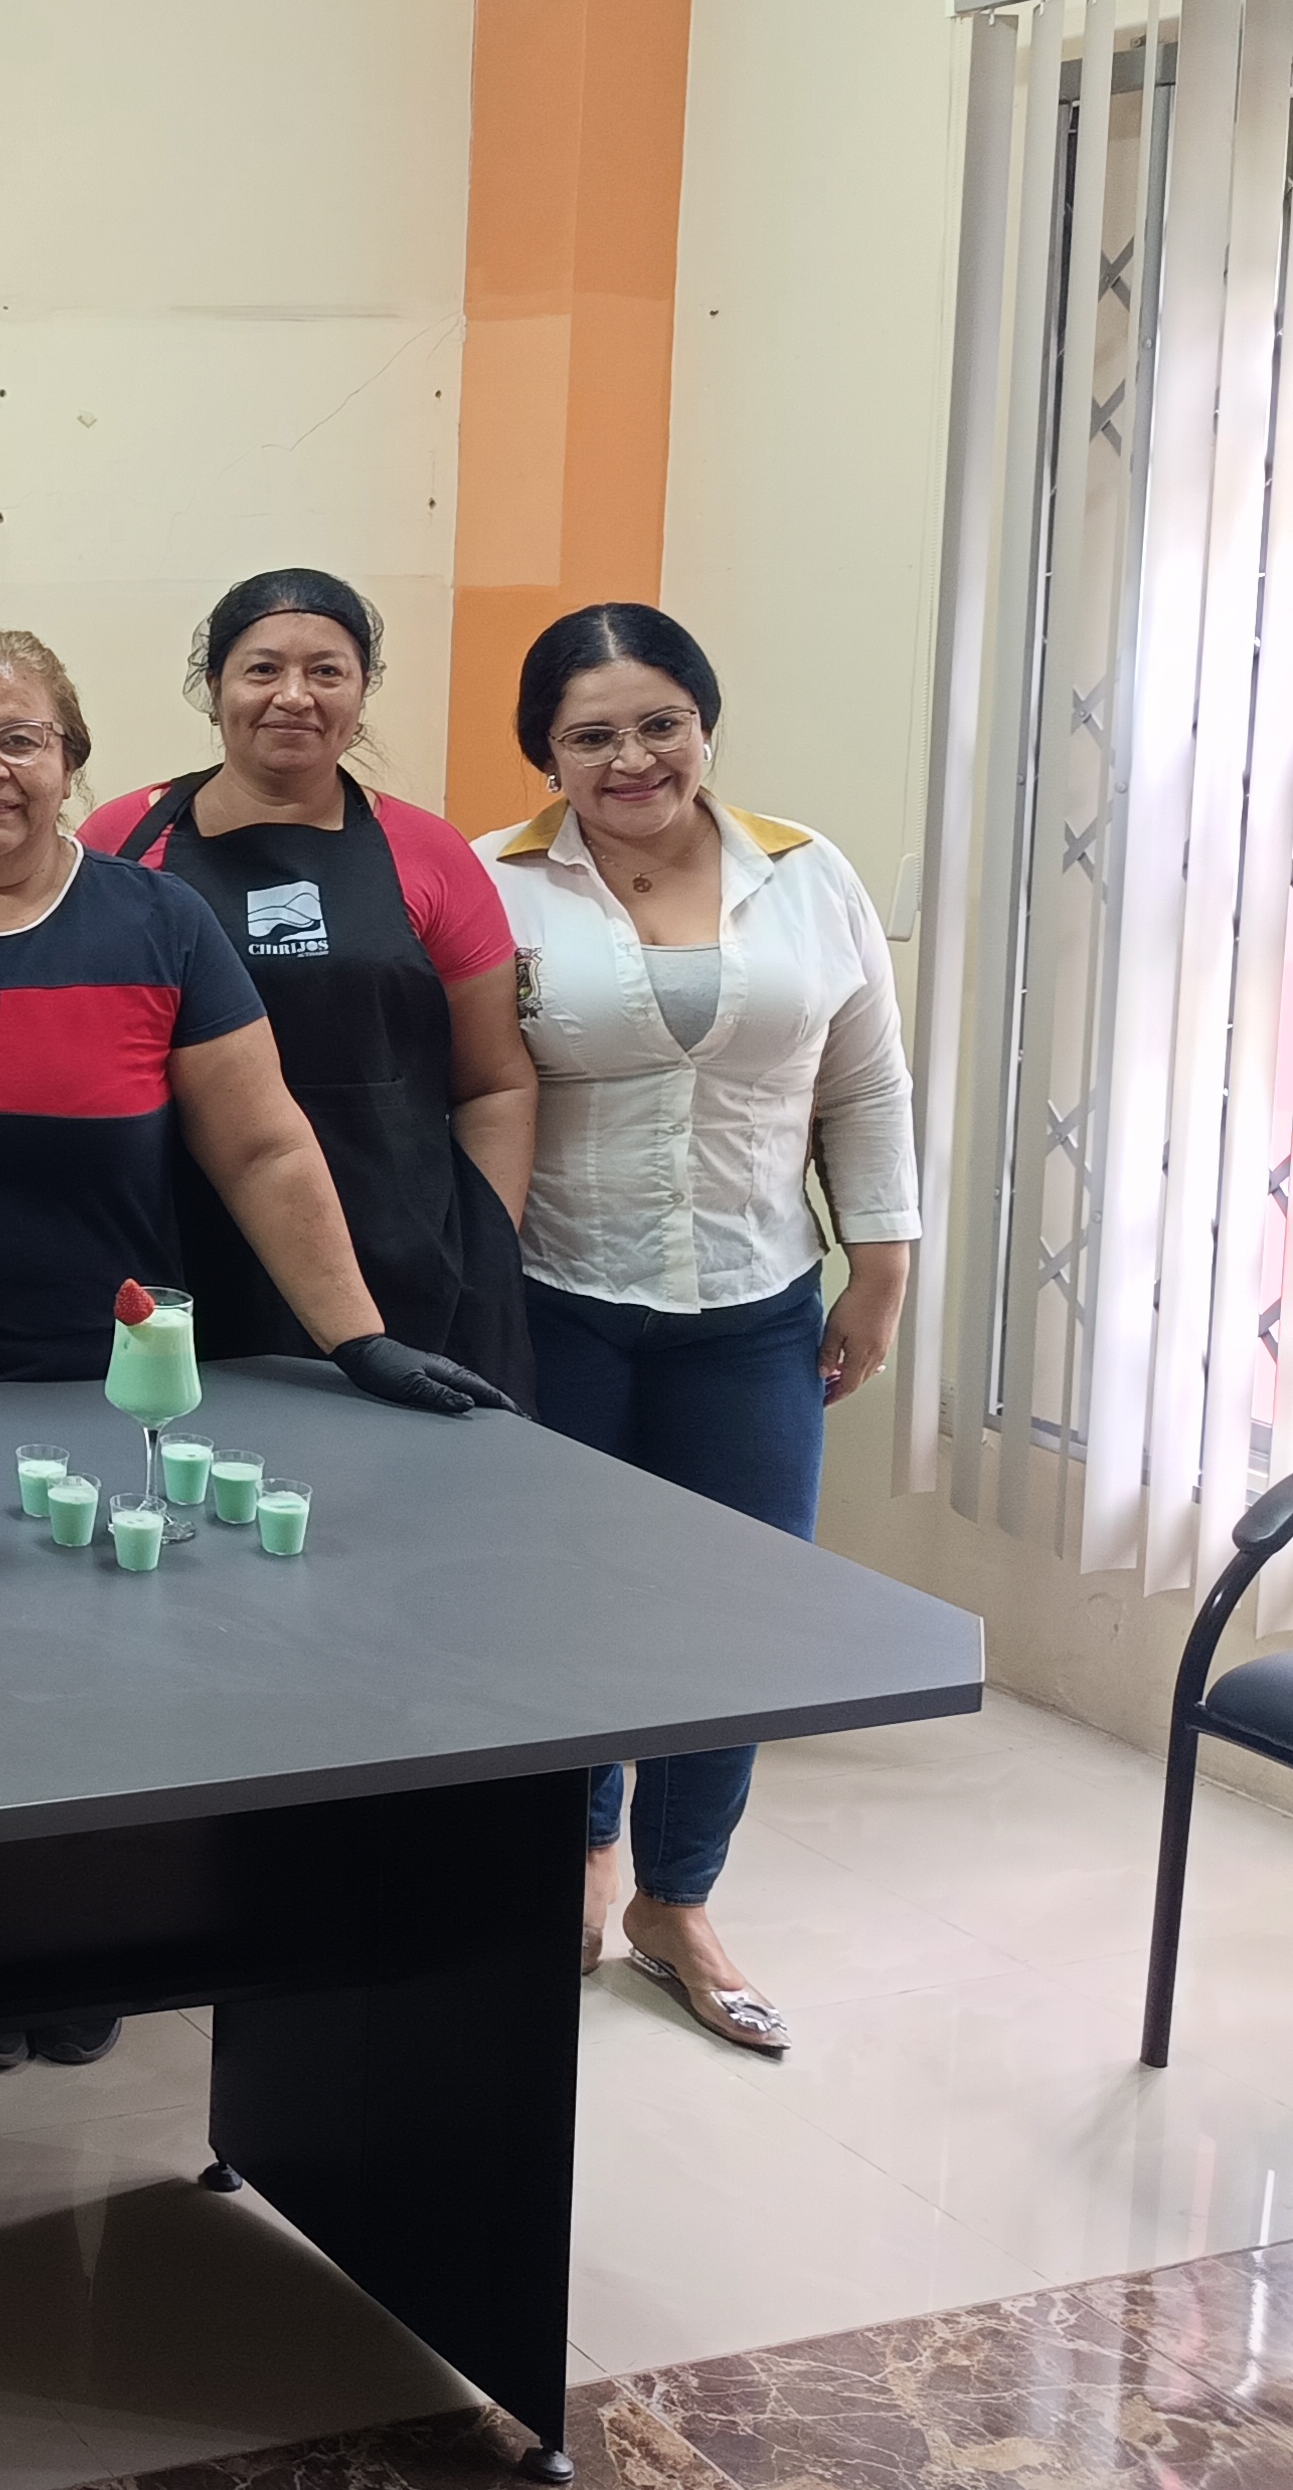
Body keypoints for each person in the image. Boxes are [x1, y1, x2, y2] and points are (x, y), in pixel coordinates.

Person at [0, 625, 508, 2080]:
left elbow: (263, 1144)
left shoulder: (160, 924)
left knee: (108, 1675)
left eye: (20, 739)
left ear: (73, 759)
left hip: (121, 1376)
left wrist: (359, 1336)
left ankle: (92, 1945)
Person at [487, 603, 915, 2058]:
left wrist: (880, 1266)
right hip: (557, 1299)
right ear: (547, 753)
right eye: (591, 735)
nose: (632, 760)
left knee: (732, 1619)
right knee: (558, 1610)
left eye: (661, 723)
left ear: (706, 726)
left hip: (751, 1304)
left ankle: (680, 1900)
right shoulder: (493, 881)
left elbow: (867, 1083)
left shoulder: (807, 872)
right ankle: (576, 1853)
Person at [86, 570, 536, 1403]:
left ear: (361, 694)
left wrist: (480, 1254)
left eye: (326, 671)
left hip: (397, 1261)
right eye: (262, 669)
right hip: (181, 1250)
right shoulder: (122, 839)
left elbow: (495, 1083)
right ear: (213, 687)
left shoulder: (430, 853)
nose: (293, 696)